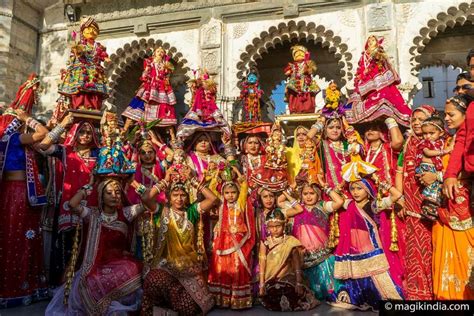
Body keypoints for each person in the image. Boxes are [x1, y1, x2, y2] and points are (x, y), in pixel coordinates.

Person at [46, 178, 144, 315]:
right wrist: (90, 184)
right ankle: (101, 308)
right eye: (109, 193)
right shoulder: (92, 214)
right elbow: (72, 204)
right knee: (89, 280)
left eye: (117, 192)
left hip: (119, 264)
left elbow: (148, 204)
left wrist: (135, 183)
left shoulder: (126, 213)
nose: (114, 196)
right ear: (101, 196)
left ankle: (112, 305)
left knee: (133, 268)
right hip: (94, 266)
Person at [135, 167, 217, 315]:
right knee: (154, 280)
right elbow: (146, 198)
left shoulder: (191, 212)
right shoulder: (162, 211)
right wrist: (165, 180)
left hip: (188, 270)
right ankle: (163, 307)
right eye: (175, 195)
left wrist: (193, 181)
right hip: (165, 267)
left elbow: (213, 199)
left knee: (189, 308)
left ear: (187, 197)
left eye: (182, 195)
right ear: (169, 196)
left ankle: (166, 310)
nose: (179, 199)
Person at [0, 76, 49, 307]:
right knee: (21, 237)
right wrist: (29, 118)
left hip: (9, 194)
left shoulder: (9, 139)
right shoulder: (15, 137)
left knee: (11, 237)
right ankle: (18, 287)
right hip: (19, 194)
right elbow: (43, 133)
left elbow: (48, 142)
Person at [331, 168, 404, 310]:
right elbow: (337, 199)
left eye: (360, 188)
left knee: (384, 287)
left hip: (372, 250)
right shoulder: (349, 204)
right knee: (356, 281)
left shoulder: (374, 205)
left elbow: (396, 195)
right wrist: (337, 185)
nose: (355, 192)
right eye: (352, 188)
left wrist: (378, 180)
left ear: (368, 190)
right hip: (353, 251)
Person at [39, 116, 100, 286]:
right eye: (82, 132)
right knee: (65, 246)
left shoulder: (99, 153)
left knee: (88, 246)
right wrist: (62, 125)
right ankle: (62, 286)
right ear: (75, 133)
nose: (86, 135)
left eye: (89, 132)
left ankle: (84, 286)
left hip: (91, 206)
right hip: (67, 208)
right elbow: (42, 146)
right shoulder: (65, 151)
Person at [433, 95, 474, 300]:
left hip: (464, 205)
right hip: (449, 206)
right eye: (445, 114)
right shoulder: (452, 139)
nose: (447, 118)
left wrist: (441, 176)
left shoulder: (463, 139)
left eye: (451, 114)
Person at [396, 105, 436, 300]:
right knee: (413, 246)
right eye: (414, 120)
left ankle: (431, 290)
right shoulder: (408, 141)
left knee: (429, 245)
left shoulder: (435, 142)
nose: (417, 123)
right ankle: (416, 292)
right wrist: (400, 198)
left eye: (422, 119)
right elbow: (399, 169)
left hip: (429, 204)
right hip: (410, 204)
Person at [208, 166, 255, 309]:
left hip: (239, 241)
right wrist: (216, 175)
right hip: (223, 241)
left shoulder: (241, 203)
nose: (230, 195)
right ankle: (222, 299)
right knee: (222, 267)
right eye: (227, 192)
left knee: (237, 267)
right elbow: (212, 190)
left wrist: (237, 171)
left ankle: (238, 299)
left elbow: (245, 185)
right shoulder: (221, 203)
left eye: (233, 192)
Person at [289, 181, 344, 301]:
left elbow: (339, 201)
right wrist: (291, 187)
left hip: (322, 257)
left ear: (318, 194)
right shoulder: (297, 209)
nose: (308, 196)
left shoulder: (322, 206)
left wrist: (325, 186)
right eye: (305, 193)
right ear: (300, 195)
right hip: (303, 258)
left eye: (312, 193)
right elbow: (280, 202)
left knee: (330, 292)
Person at [258, 209, 319, 312]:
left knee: (291, 293)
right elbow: (262, 263)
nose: (275, 229)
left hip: (289, 278)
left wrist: (299, 283)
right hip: (272, 279)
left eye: (278, 226)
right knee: (273, 293)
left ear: (284, 226)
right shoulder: (265, 243)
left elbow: (297, 266)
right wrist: (261, 285)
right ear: (267, 227)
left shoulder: (291, 242)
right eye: (272, 227)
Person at [346, 35, 411, 127]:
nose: (370, 42)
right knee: (353, 104)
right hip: (365, 79)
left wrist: (377, 57)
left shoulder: (379, 52)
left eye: (373, 40)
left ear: (377, 42)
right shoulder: (363, 55)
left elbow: (383, 63)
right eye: (369, 40)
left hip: (378, 77)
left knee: (384, 97)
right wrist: (361, 75)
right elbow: (361, 68)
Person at [57, 17, 108, 111]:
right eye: (89, 29)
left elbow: (103, 55)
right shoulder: (81, 45)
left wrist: (105, 58)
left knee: (95, 91)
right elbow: (75, 55)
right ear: (83, 32)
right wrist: (77, 51)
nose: (92, 32)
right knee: (81, 89)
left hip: (95, 72)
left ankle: (94, 106)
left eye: (94, 29)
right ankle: (80, 105)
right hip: (82, 70)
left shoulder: (99, 46)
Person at [415, 115, 450, 220]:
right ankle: (428, 207)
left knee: (436, 188)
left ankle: (433, 208)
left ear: (441, 133)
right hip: (427, 168)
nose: (427, 136)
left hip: (435, 170)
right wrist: (445, 151)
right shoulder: (425, 143)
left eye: (431, 133)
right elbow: (428, 153)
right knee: (431, 187)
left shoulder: (442, 142)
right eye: (425, 133)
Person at [135, 47, 177, 126]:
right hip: (151, 85)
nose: (160, 53)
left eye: (162, 52)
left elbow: (167, 78)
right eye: (158, 51)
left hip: (162, 87)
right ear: (154, 53)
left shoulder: (166, 65)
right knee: (143, 101)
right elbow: (145, 74)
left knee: (164, 105)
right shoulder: (149, 62)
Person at [284, 45, 320, 114]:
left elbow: (311, 70)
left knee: (307, 95)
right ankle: (294, 109)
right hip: (295, 82)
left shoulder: (308, 63)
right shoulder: (292, 65)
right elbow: (287, 72)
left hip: (306, 82)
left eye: (301, 53)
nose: (299, 54)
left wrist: (308, 68)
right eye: (296, 54)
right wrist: (290, 71)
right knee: (294, 95)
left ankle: (308, 109)